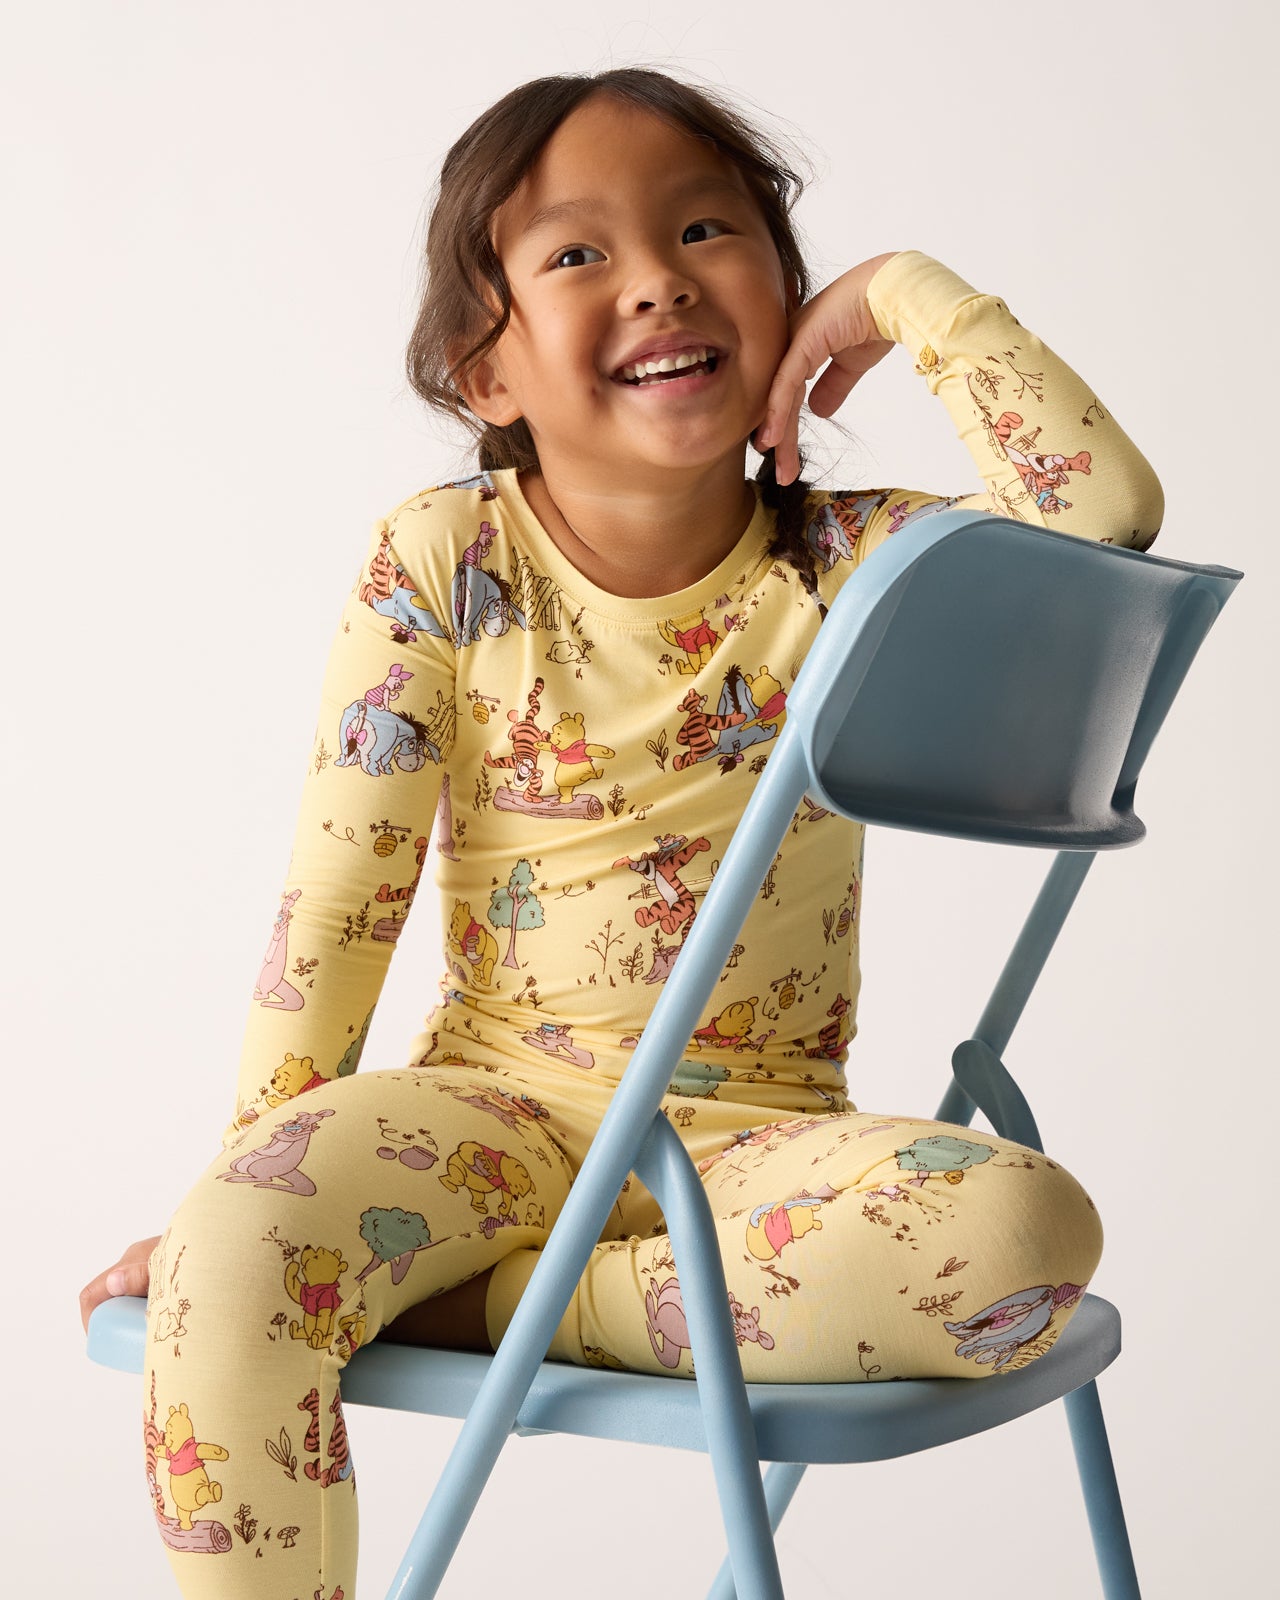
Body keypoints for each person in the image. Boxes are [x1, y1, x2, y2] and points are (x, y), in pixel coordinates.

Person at [80, 67, 1163, 1599]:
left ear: (785, 303)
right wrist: (237, 1189)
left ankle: (521, 1307)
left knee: (1025, 1237)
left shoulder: (858, 564)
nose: (658, 278)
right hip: (487, 1119)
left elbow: (1104, 519)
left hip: (754, 1147)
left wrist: (905, 296)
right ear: (485, 369)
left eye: (708, 231)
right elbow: (335, 913)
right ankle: (482, 1278)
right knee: (233, 1264)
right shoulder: (445, 558)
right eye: (580, 253)